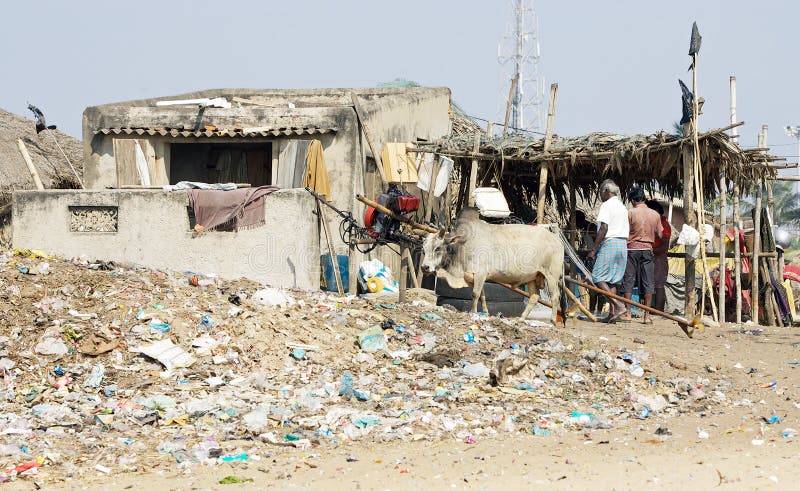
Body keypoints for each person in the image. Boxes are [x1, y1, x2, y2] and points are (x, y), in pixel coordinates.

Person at [588, 179, 629, 322]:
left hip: (610, 242)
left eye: (600, 191)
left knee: (597, 277)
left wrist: (594, 249)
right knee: (612, 281)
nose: (600, 195)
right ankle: (612, 314)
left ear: (606, 191)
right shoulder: (623, 207)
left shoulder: (606, 205)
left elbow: (604, 228)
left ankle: (618, 305)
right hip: (622, 244)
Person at [621, 187, 663, 323]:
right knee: (648, 281)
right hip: (647, 250)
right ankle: (647, 316)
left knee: (629, 280)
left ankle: (627, 313)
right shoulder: (655, 215)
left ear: (633, 200)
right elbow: (660, 234)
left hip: (631, 249)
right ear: (644, 199)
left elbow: (624, 231)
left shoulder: (630, 213)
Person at [646, 200, 671, 312]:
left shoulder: (663, 224)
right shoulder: (654, 222)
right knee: (651, 284)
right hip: (652, 256)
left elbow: (665, 245)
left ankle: (659, 311)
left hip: (658, 258)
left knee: (659, 285)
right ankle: (651, 310)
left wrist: (652, 250)